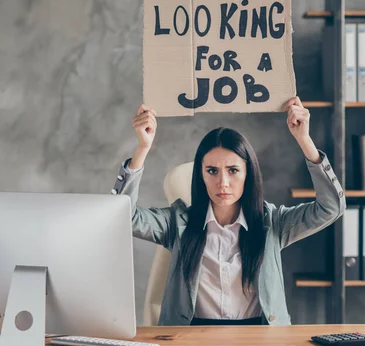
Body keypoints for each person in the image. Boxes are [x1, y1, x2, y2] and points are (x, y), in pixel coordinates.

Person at [112, 97, 345, 326]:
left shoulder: (273, 223)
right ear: (201, 176)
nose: (222, 183)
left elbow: (331, 208)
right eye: (212, 171)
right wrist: (142, 148)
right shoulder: (177, 222)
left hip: (258, 339)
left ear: (248, 174)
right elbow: (124, 216)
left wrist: (305, 141)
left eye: (233, 170)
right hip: (192, 341)